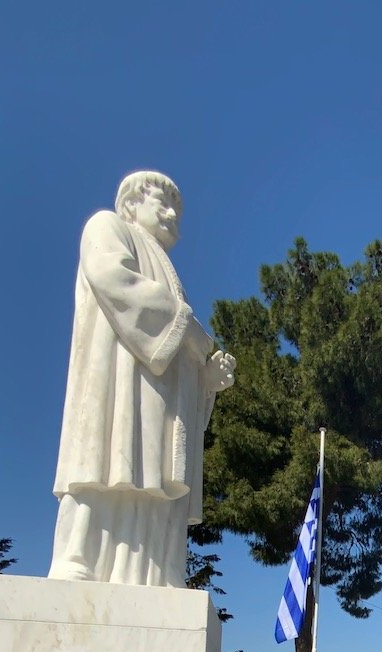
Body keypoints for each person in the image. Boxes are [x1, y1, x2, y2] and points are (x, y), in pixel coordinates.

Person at [48, 171, 236, 586]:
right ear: (132, 203)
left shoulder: (170, 271)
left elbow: (181, 353)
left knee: (154, 479)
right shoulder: (107, 226)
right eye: (163, 203)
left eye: (178, 212)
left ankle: (152, 572)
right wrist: (188, 329)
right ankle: (78, 556)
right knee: (104, 459)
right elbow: (114, 280)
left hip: (161, 400)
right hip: (117, 383)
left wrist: (207, 380)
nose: (173, 216)